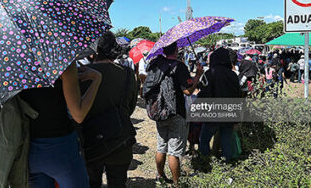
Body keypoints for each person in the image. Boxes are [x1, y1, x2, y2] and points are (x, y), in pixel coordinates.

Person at [20, 58, 102, 187]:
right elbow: (78, 114)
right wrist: (96, 80)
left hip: (28, 149)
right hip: (61, 148)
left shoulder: (13, 61)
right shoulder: (61, 61)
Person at [80, 31, 138, 188]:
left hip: (90, 141)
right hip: (120, 139)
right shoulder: (127, 73)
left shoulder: (82, 73)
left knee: (92, 183)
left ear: (94, 50)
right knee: (118, 183)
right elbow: (130, 107)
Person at [143, 42, 203, 185]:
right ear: (176, 50)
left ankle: (160, 176)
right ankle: (176, 183)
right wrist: (198, 76)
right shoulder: (179, 66)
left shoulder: (156, 64)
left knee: (161, 147)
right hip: (175, 112)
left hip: (158, 111)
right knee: (174, 152)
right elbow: (188, 91)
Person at [198, 47, 241, 163]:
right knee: (226, 140)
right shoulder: (233, 75)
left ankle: (205, 162)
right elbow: (238, 95)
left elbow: (203, 93)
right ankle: (227, 164)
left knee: (204, 139)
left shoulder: (209, 73)